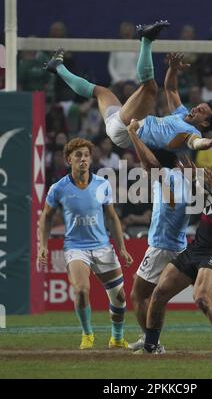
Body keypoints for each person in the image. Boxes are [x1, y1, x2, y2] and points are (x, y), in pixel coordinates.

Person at [137, 152, 212, 356]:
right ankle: (150, 347)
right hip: (196, 248)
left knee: (201, 298)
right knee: (159, 294)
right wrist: (195, 177)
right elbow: (205, 192)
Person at [44, 21, 212, 153]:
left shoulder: (191, 132)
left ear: (205, 122)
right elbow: (171, 90)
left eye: (202, 110)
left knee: (150, 88)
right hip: (121, 123)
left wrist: (207, 143)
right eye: (200, 105)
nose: (197, 107)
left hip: (127, 129)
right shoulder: (181, 113)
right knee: (101, 91)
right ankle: (58, 67)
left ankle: (146, 39)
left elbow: (196, 143)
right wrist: (173, 69)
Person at [38, 138, 133, 350]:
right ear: (68, 159)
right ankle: (87, 334)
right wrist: (43, 245)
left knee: (119, 296)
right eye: (78, 155)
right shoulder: (58, 188)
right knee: (81, 290)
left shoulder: (102, 184)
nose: (83, 159)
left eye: (87, 155)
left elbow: (112, 218)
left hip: (102, 246)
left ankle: (116, 338)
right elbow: (45, 217)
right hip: (75, 247)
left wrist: (122, 248)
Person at [126, 119, 192, 353]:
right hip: (177, 244)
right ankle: (150, 340)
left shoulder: (167, 176)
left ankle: (151, 342)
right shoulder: (186, 177)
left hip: (162, 246)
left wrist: (133, 134)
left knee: (137, 295)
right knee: (155, 296)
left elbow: (149, 162)